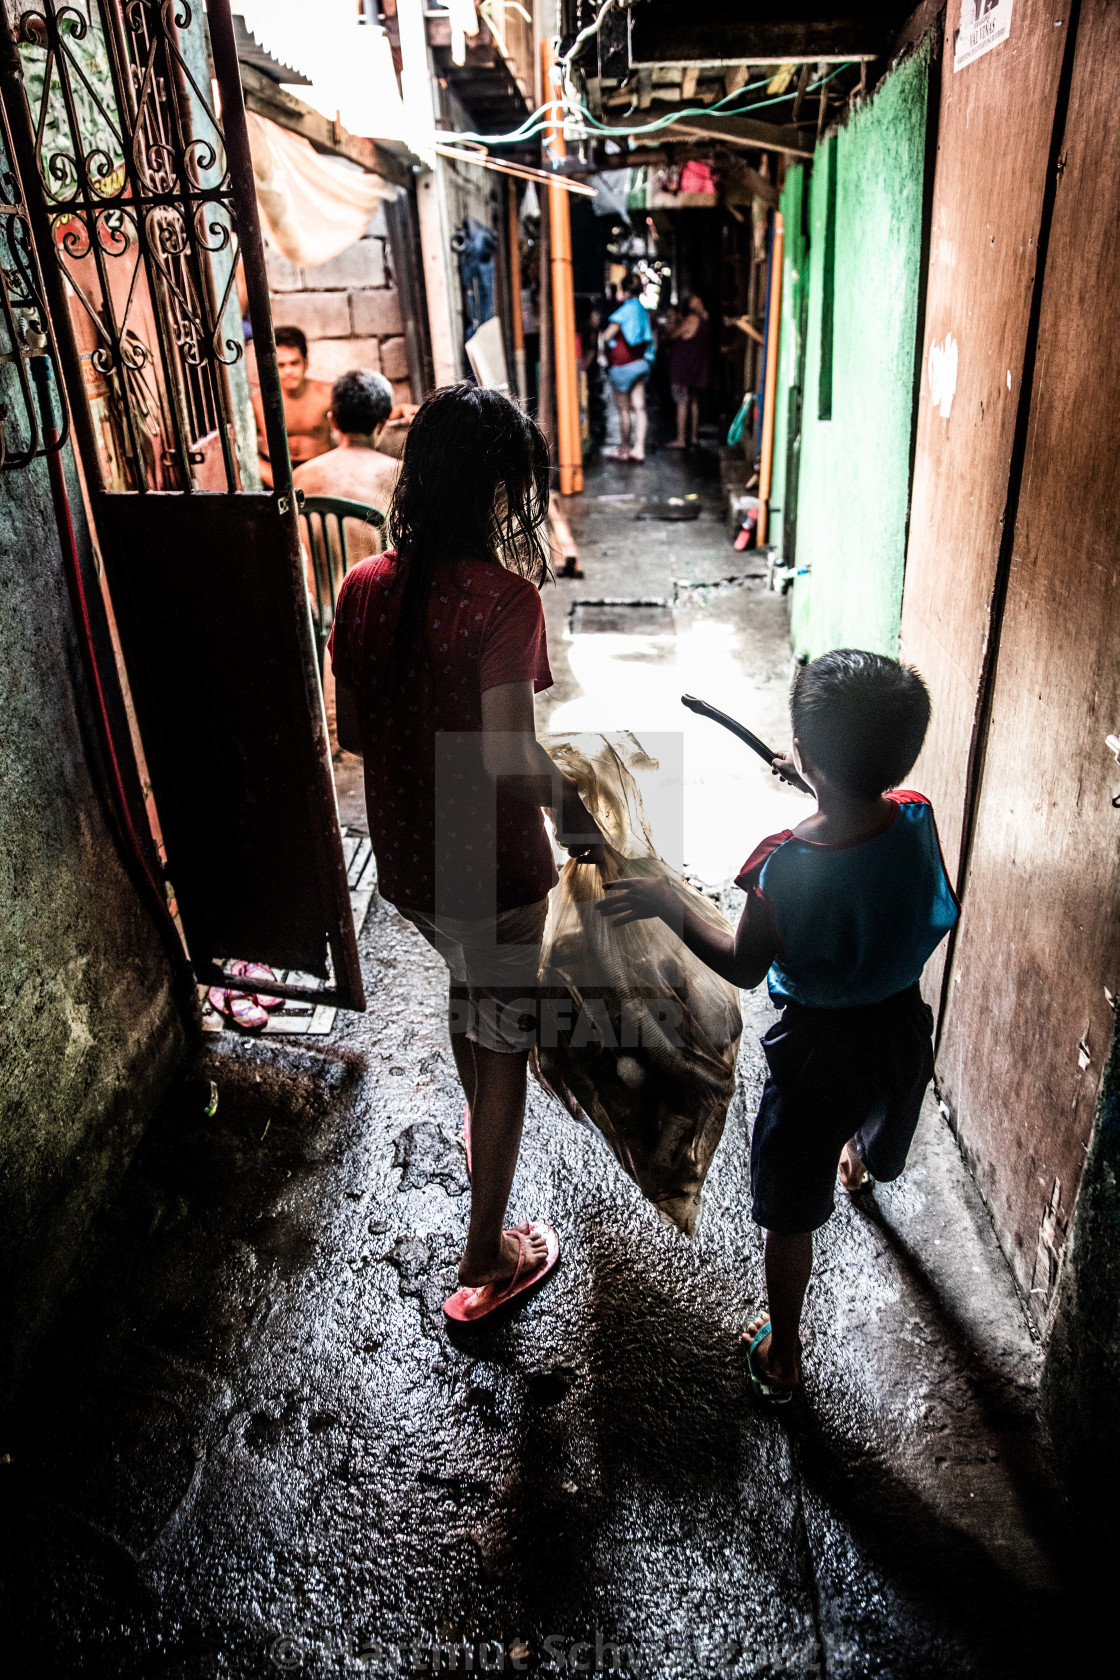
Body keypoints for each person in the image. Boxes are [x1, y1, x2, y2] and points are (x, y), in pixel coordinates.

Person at [599, 649, 960, 1402]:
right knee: (877, 1113)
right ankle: (859, 1161)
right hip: (900, 1025)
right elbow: (870, 821)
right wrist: (825, 787)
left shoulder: (779, 865)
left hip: (817, 1050)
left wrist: (665, 900)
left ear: (803, 756)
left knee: (790, 1206)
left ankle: (785, 1355)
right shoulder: (919, 813)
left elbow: (741, 964)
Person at [329, 385, 606, 1324]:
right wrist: (588, 821)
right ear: (495, 491)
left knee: (469, 994)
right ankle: (487, 1255)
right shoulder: (505, 601)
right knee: (505, 1045)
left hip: (410, 861)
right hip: (494, 871)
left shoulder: (363, 586)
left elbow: (357, 732)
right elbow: (510, 760)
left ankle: (478, 1120)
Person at [293, 368, 400, 561]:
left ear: (332, 421)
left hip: (319, 592)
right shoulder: (400, 473)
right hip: (377, 590)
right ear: (383, 424)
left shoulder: (300, 476)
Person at [253, 325, 333, 488]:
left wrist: (400, 409)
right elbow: (240, 445)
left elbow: (363, 419)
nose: (288, 371)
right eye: (281, 365)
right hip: (277, 478)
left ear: (306, 362)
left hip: (320, 472)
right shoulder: (260, 402)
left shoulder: (328, 394)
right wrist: (263, 469)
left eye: (294, 363)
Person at [601, 273, 653, 463]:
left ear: (625, 291)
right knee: (640, 407)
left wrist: (610, 345)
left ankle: (624, 447)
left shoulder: (624, 311)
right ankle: (639, 449)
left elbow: (607, 336)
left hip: (622, 366)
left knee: (623, 410)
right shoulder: (642, 310)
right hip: (640, 364)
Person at [664, 292, 712, 449]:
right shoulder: (706, 319)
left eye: (694, 298)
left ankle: (680, 439)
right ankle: (693, 437)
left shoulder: (692, 319)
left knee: (681, 402)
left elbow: (672, 335)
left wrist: (672, 322)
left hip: (683, 366)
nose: (691, 301)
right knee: (693, 401)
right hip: (697, 365)